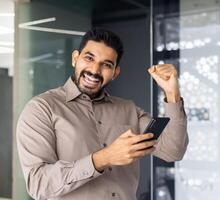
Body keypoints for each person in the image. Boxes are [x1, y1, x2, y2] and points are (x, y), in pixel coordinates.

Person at [16, 28, 189, 200]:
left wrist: (172, 94)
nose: (95, 70)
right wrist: (103, 158)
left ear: (115, 72)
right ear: (75, 58)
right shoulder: (42, 108)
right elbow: (38, 185)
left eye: (107, 64)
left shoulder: (128, 109)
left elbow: (173, 151)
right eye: (89, 58)